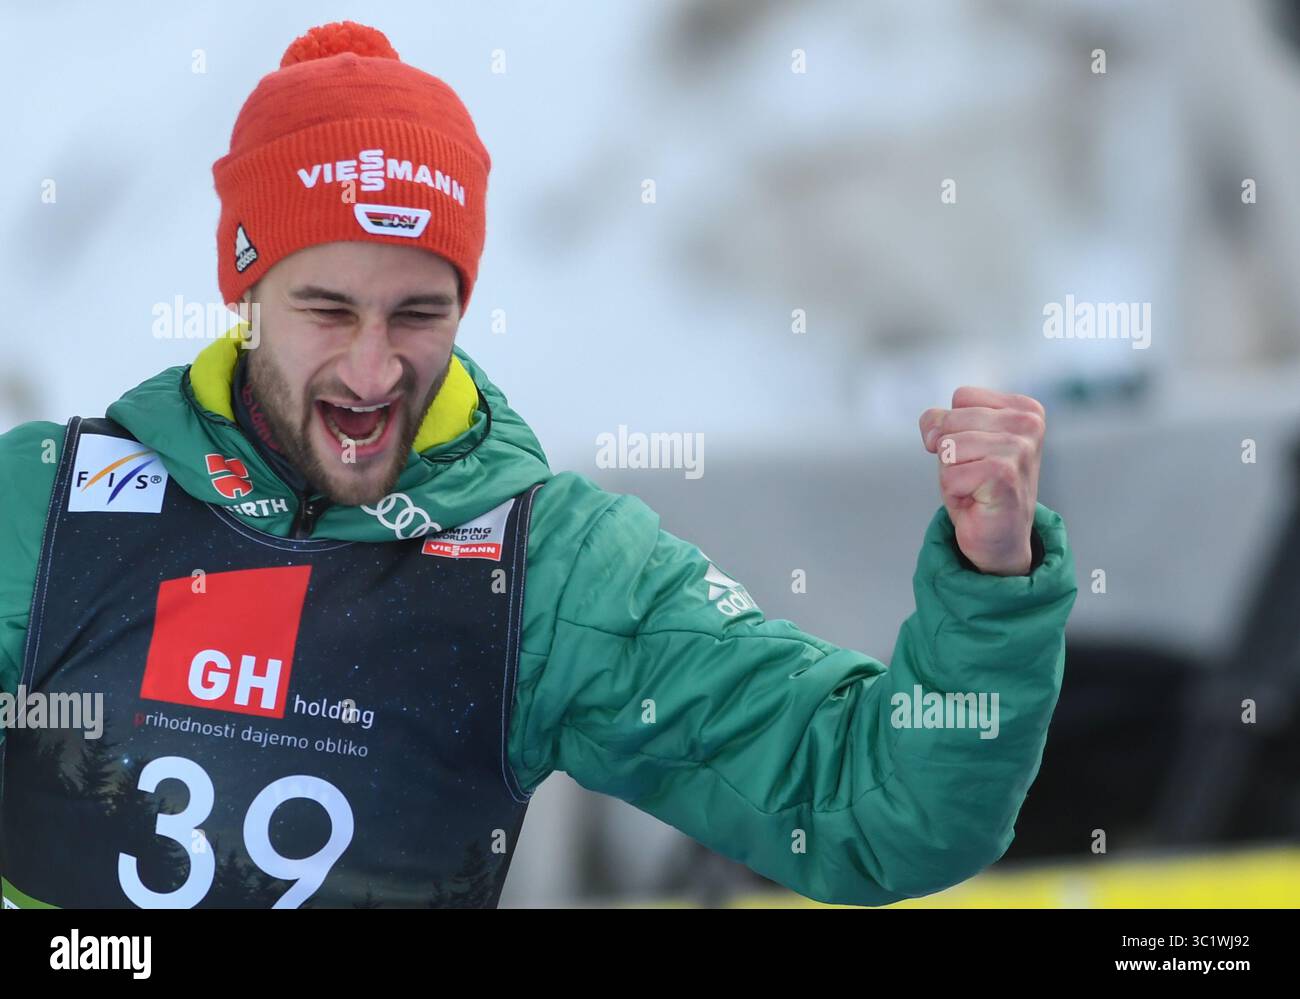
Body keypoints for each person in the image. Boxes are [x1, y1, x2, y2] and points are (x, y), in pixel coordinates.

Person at [0, 20, 1076, 909]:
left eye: (418, 314)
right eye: (327, 309)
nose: (373, 369)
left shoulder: (553, 568)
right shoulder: (46, 506)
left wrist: (987, 592)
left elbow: (869, 809)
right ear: (245, 294)